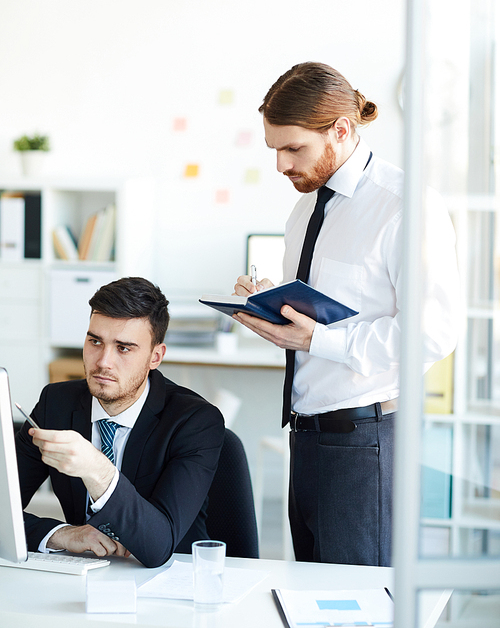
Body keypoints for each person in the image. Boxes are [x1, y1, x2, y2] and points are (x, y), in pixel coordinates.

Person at [233, 62, 460, 566]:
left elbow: (434, 331)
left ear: (341, 130)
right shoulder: (306, 205)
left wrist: (317, 341)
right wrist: (275, 302)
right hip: (306, 436)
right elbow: (329, 309)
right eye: (275, 149)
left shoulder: (406, 206)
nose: (281, 165)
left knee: (359, 608)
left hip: (364, 442)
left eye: (294, 149)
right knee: (313, 598)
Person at [16, 276, 225, 568]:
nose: (103, 362)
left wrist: (97, 469)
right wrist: (60, 534)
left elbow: (159, 545)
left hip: (171, 582)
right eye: (95, 341)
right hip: (85, 576)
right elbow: (3, 509)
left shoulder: (195, 421)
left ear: (155, 356)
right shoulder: (56, 404)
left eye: (123, 348)